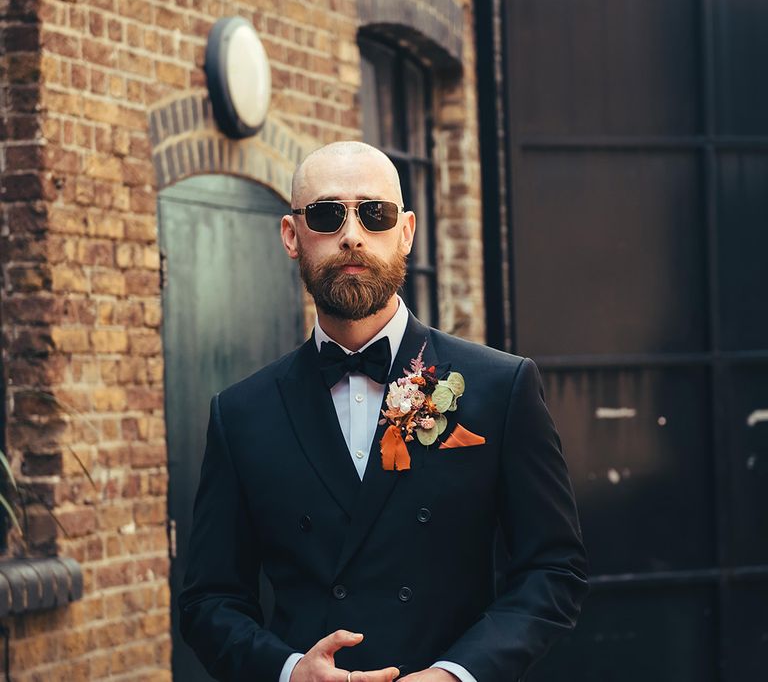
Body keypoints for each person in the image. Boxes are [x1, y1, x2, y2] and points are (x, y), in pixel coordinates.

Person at [178, 141, 589, 682]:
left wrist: (454, 674)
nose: (351, 234)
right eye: (326, 214)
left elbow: (553, 570)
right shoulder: (240, 413)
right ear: (291, 235)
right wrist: (287, 671)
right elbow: (209, 599)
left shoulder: (500, 387)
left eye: (374, 213)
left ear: (407, 232)